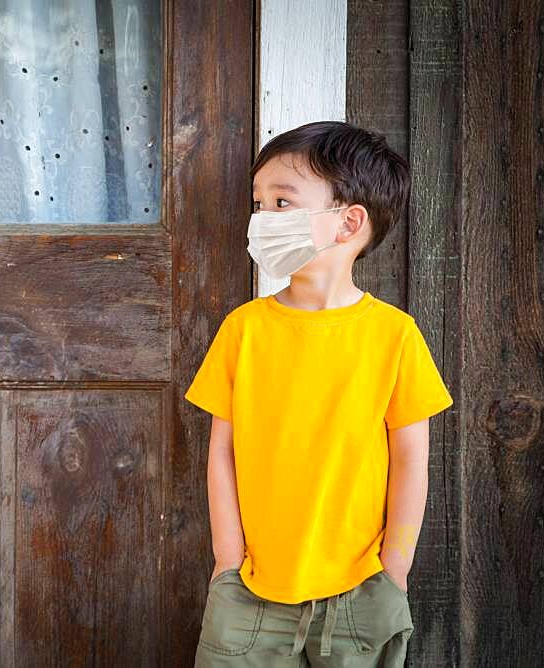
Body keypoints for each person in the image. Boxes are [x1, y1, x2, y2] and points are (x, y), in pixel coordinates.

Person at [185, 120, 453, 667]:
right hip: (250, 591)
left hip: (362, 590)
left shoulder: (395, 335)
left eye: (281, 202)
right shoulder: (244, 329)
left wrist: (394, 567)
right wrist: (227, 557)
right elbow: (221, 451)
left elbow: (411, 460)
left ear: (348, 222)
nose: (262, 219)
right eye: (258, 203)